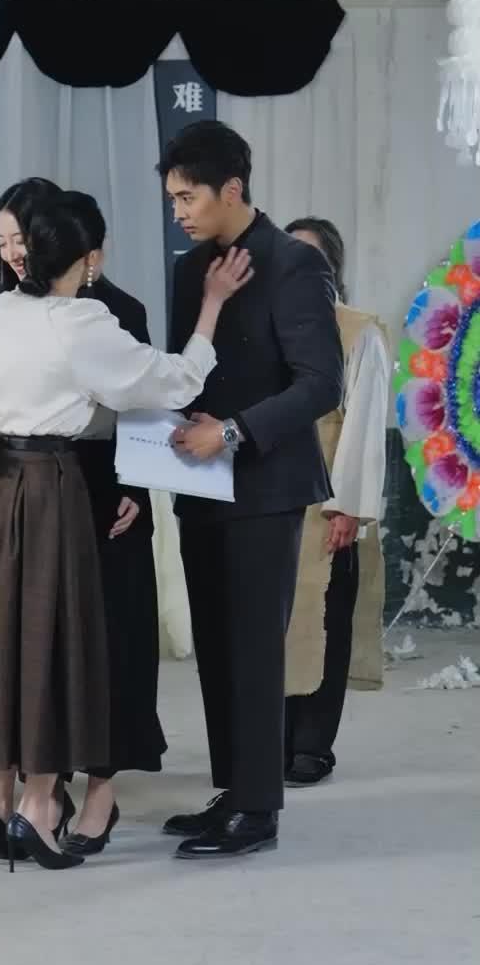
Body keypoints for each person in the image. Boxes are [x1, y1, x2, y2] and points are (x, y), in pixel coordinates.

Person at [0, 189, 251, 871]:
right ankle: (40, 806)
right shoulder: (85, 322)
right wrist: (213, 305)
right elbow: (177, 383)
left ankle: (0, 797)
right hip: (54, 489)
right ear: (86, 257)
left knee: (8, 641)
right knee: (52, 646)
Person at [0, 180, 165, 851]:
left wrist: (136, 487)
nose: (14, 253)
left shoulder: (117, 310)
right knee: (33, 649)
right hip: (30, 494)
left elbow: (147, 406)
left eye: (23, 239)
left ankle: (101, 791)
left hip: (106, 499)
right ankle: (34, 791)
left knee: (113, 647)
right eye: (2, 242)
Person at [160, 121, 343, 860]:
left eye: (188, 197)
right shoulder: (189, 272)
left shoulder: (293, 263)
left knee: (255, 646)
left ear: (231, 188)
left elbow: (320, 384)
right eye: (173, 199)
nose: (178, 211)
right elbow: (184, 371)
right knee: (215, 642)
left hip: (265, 484)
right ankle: (234, 788)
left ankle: (259, 809)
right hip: (198, 482)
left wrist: (232, 431)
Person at [282, 217, 390, 786]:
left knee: (326, 619)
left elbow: (365, 423)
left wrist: (347, 505)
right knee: (276, 623)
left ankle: (312, 744)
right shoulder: (271, 324)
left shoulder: (358, 331)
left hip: (327, 495)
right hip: (276, 494)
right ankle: (273, 739)